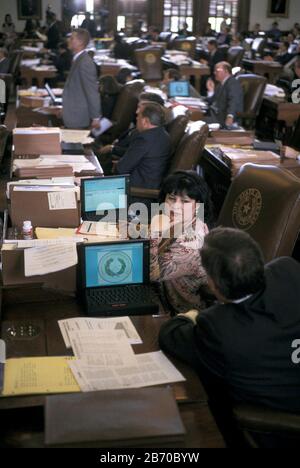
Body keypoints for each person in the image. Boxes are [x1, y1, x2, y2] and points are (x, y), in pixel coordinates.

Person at [159, 227, 300, 417]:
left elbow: (171, 335)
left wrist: (192, 314)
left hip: (275, 426)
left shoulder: (219, 328)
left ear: (213, 284)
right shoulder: (288, 269)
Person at [150, 171, 214, 314]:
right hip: (159, 295)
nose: (175, 206)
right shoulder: (177, 222)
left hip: (177, 313)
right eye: (172, 198)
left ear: (197, 206)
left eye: (185, 201)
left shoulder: (190, 242)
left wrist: (153, 234)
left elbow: (152, 275)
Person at [115, 102, 171, 189]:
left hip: (137, 192)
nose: (136, 118)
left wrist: (118, 164)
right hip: (148, 186)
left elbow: (121, 169)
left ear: (145, 121)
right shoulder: (163, 134)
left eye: (138, 116)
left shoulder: (144, 139)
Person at [62, 28, 102, 129]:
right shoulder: (78, 59)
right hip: (72, 113)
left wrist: (96, 117)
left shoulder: (85, 62)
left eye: (71, 38)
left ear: (80, 42)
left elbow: (91, 90)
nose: (68, 40)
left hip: (77, 117)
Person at [205, 61, 244, 127]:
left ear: (226, 71)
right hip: (216, 115)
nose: (214, 73)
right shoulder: (220, 84)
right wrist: (210, 90)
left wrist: (230, 116)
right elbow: (212, 100)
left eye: (217, 71)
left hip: (224, 119)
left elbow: (234, 101)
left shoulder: (233, 83)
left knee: (198, 120)